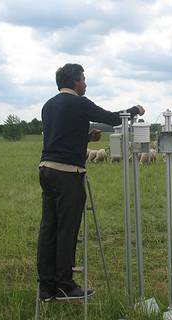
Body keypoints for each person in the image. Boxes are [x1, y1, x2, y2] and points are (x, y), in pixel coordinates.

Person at [37, 63, 145, 301]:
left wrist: (87, 136)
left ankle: (46, 287)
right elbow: (113, 118)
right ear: (75, 81)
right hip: (68, 173)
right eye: (83, 79)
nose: (85, 84)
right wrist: (135, 109)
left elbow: (59, 135)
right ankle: (65, 285)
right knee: (67, 230)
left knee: (49, 228)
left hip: (46, 170)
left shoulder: (49, 105)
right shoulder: (80, 103)